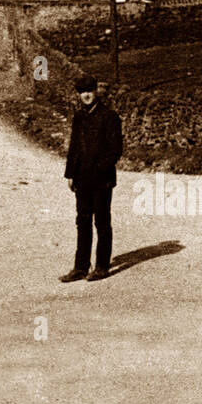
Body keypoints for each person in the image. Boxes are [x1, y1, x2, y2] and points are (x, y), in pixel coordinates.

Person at [61, 75, 122, 283]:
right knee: (82, 221)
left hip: (101, 179)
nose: (85, 95)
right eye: (82, 92)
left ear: (96, 91)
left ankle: (102, 266)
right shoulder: (79, 117)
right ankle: (80, 267)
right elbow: (74, 147)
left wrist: (99, 170)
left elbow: (115, 150)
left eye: (89, 91)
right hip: (81, 178)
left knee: (102, 221)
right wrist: (70, 174)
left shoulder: (109, 117)